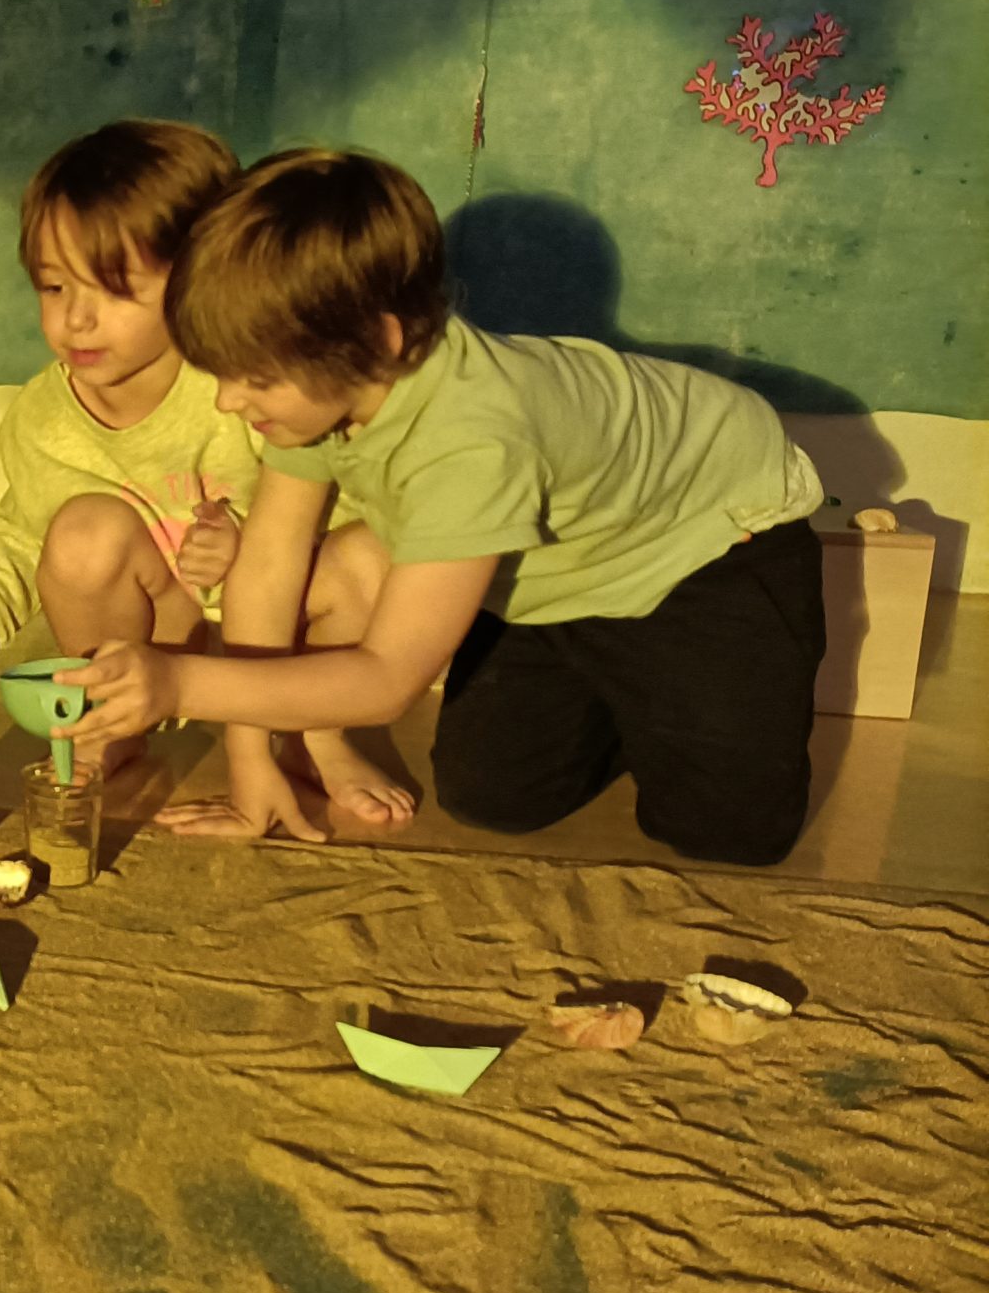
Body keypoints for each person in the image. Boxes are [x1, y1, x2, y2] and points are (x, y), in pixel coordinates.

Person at [62, 147, 825, 867]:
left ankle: (664, 698)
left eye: (254, 379)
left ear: (378, 341)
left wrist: (180, 682)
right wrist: (250, 760)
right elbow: (267, 563)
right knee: (492, 797)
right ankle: (628, 700)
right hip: (551, 574)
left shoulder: (473, 441)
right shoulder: (327, 389)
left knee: (727, 832)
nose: (229, 401)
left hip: (704, 546)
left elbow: (387, 679)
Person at [0, 121, 260, 711]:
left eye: (114, 289)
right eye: (54, 287)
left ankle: (306, 737)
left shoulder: (252, 391)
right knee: (82, 536)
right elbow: (25, 527)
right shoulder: (41, 420)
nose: (76, 319)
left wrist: (250, 543)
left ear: (202, 279)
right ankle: (109, 721)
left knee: (362, 559)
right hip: (160, 645)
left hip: (268, 644)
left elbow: (330, 507)